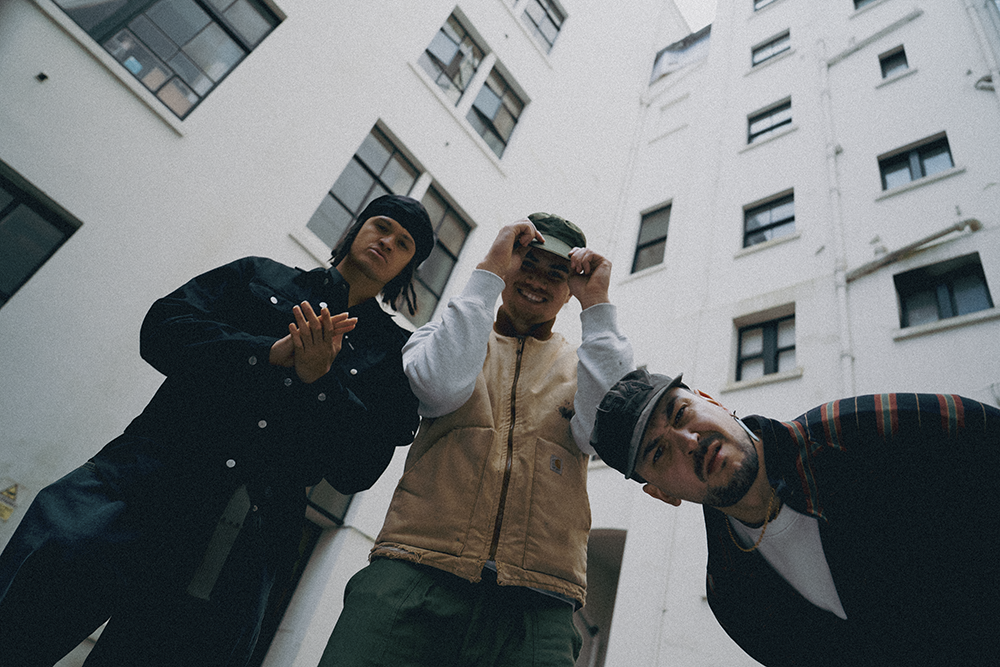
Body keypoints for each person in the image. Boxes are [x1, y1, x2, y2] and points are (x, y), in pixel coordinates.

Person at [0, 194, 434, 667]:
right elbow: (162, 329)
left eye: (404, 242)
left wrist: (320, 382)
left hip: (236, 546)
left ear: (409, 266)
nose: (387, 241)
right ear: (356, 229)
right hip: (135, 488)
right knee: (19, 630)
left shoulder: (395, 354)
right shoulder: (259, 275)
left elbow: (360, 468)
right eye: (382, 226)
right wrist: (267, 353)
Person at [319, 213, 634, 667]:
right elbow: (437, 389)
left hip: (537, 603)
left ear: (570, 290)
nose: (538, 280)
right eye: (528, 262)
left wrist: (599, 309)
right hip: (413, 571)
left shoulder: (587, 366)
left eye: (556, 272)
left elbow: (606, 435)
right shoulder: (442, 335)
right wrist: (488, 272)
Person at [590, 369, 999, 667]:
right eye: (659, 453)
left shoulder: (858, 432)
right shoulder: (732, 594)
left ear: (710, 400)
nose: (690, 442)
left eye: (680, 413)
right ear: (662, 494)